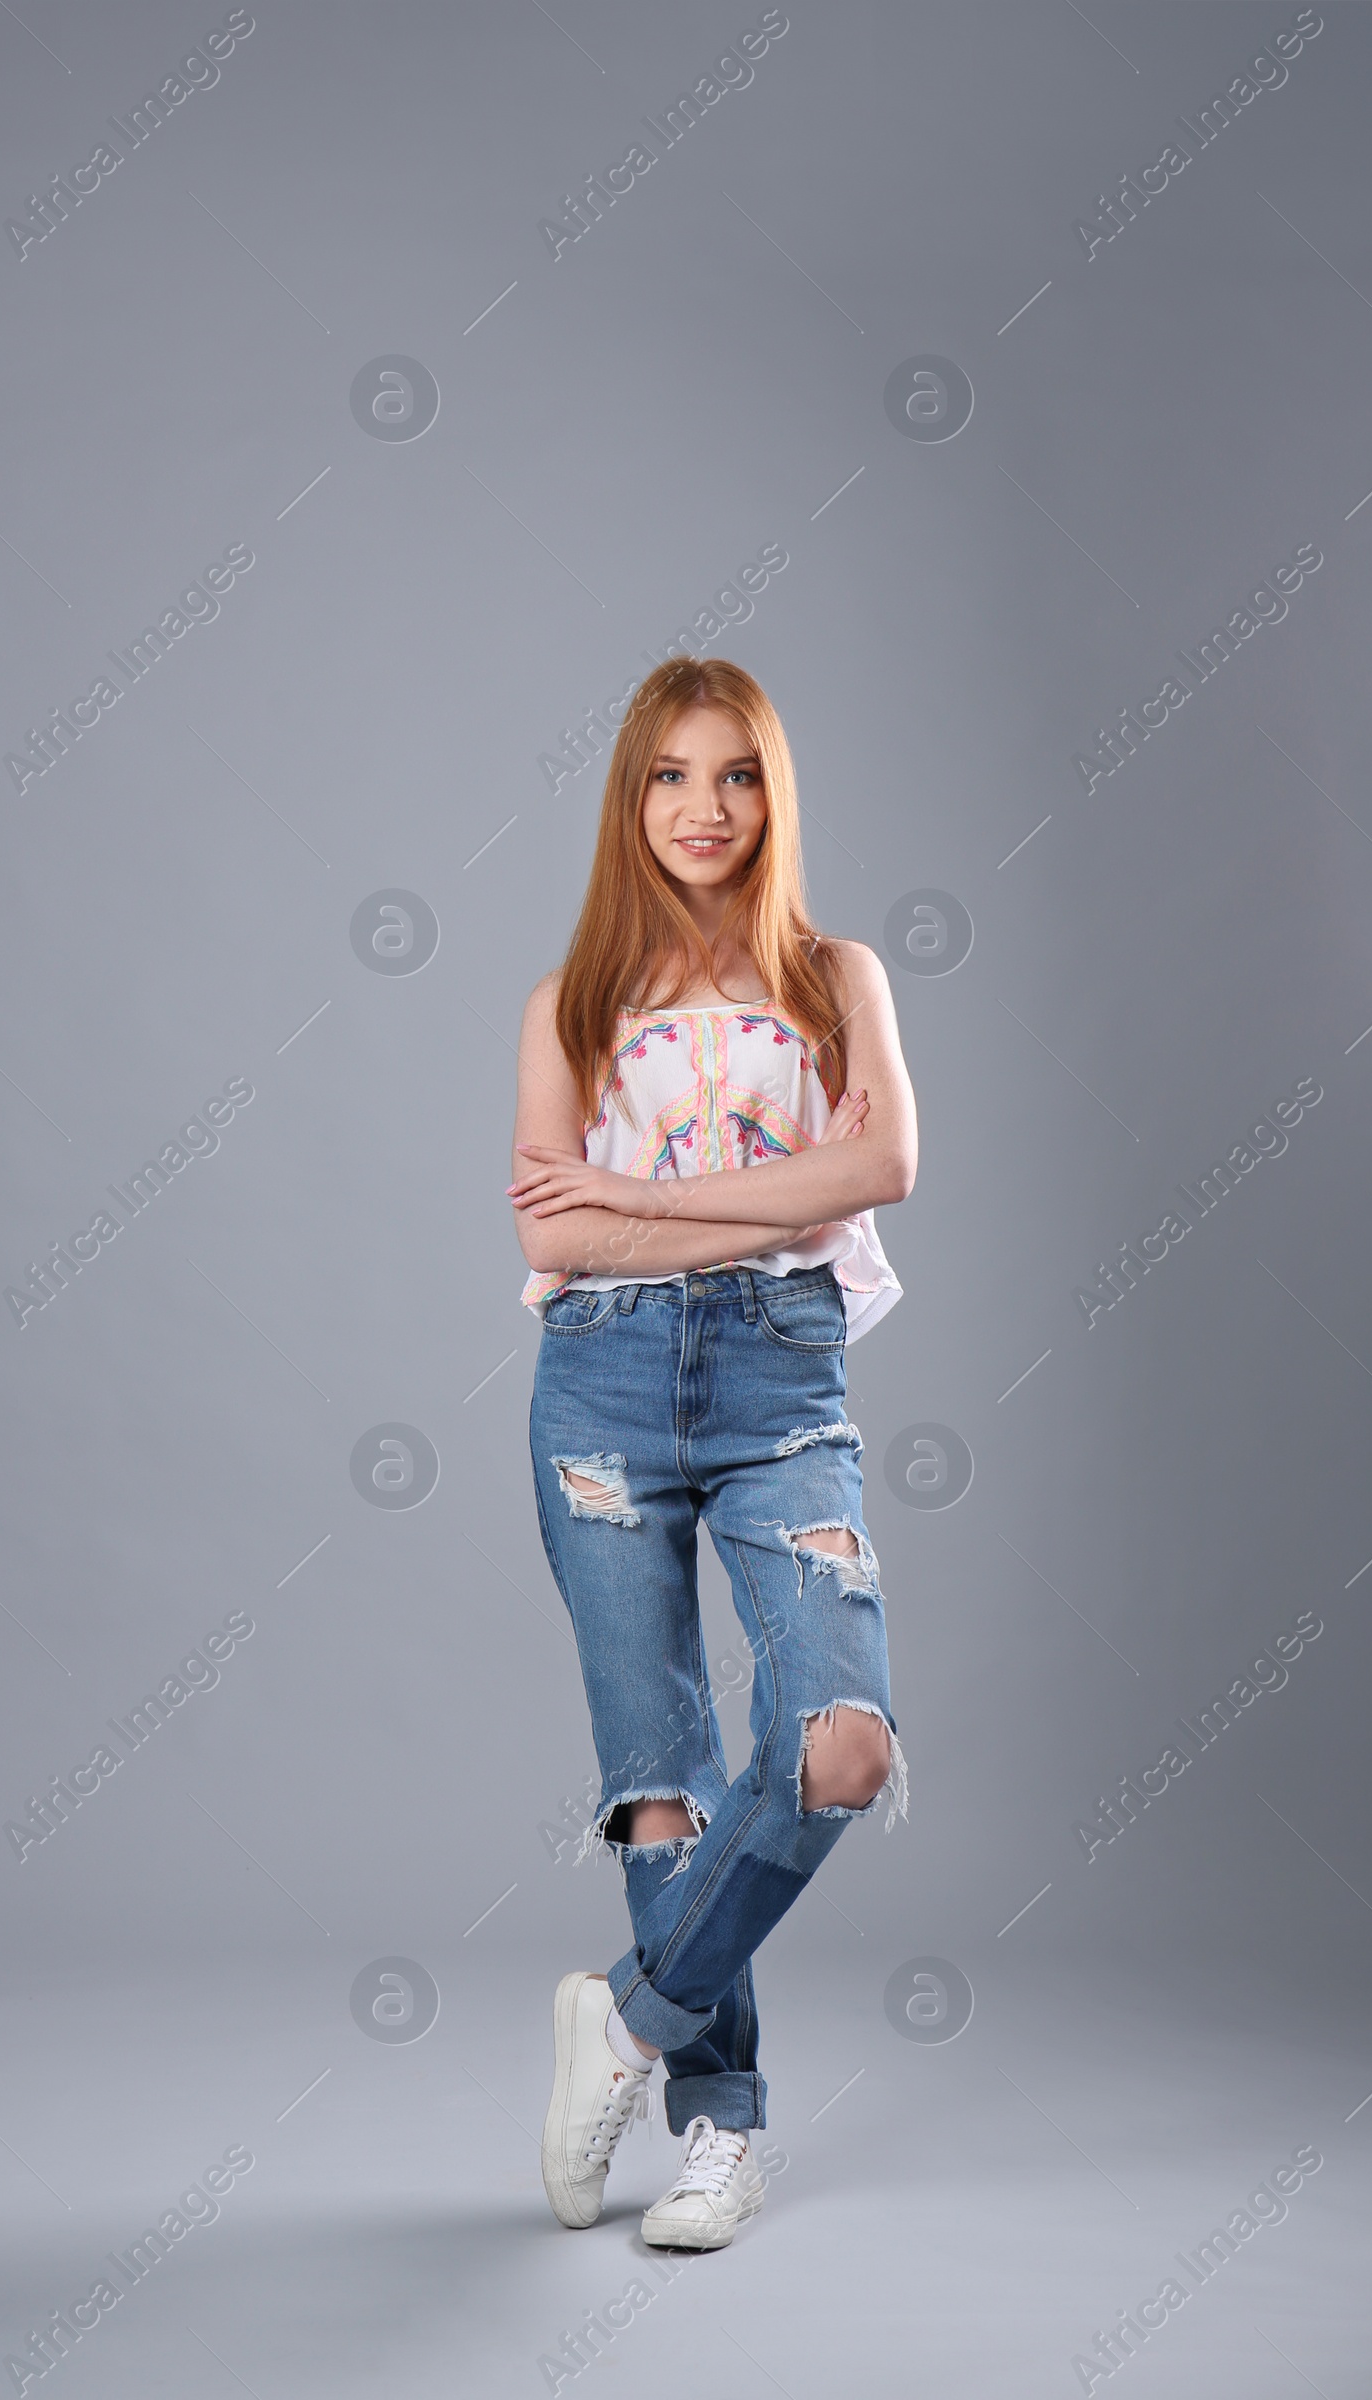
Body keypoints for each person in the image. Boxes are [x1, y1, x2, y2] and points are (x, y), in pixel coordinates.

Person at [508, 654, 916, 2250]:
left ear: (773, 794)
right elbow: (546, 1215)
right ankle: (720, 2132)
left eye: (735, 773)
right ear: (631, 799)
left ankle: (621, 2022)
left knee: (839, 1744)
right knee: (659, 1790)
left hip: (779, 1384)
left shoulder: (836, 978)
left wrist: (652, 1208)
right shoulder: (570, 1006)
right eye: (671, 776)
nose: (704, 807)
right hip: (599, 1392)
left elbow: (881, 1160)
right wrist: (775, 1189)